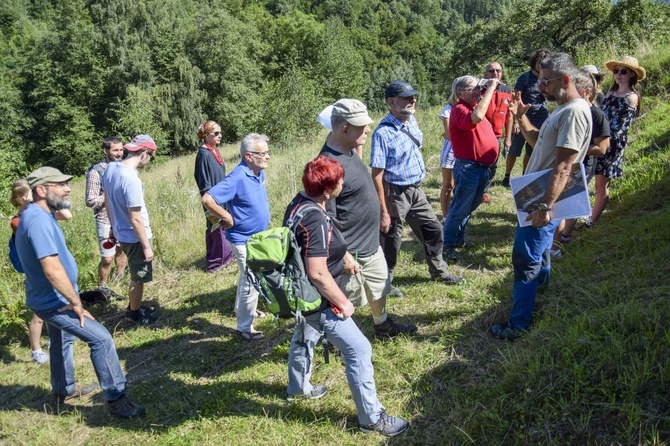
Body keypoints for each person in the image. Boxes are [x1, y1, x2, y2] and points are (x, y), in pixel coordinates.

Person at [284, 156, 409, 437]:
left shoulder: (299, 203)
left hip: (301, 294)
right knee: (359, 350)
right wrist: (342, 301)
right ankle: (372, 419)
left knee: (305, 333)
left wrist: (345, 257)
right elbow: (316, 272)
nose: (343, 182)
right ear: (328, 190)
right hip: (320, 297)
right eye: (339, 180)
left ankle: (298, 388)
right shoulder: (315, 218)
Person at [15, 166, 145, 417]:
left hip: (50, 298)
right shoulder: (37, 221)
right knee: (101, 338)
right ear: (41, 190)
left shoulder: (38, 213)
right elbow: (52, 269)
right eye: (61, 185)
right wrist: (76, 303)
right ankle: (117, 399)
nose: (68, 188)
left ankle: (64, 391)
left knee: (62, 340)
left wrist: (55, 199)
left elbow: (65, 212)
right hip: (56, 301)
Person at [491, 53, 592, 340]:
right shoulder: (562, 109)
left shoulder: (573, 112)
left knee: (525, 259)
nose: (541, 87)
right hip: (539, 195)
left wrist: (545, 206)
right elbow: (540, 145)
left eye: (546, 82)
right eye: (539, 81)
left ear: (567, 79)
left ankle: (518, 325)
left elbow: (563, 166)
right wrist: (520, 120)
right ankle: (541, 295)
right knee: (541, 252)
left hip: (544, 199)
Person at [319, 99, 417, 339]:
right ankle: (340, 341)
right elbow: (324, 217)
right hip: (350, 252)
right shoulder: (328, 166)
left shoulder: (349, 150)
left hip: (370, 246)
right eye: (362, 126)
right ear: (344, 129)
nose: (368, 130)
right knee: (344, 302)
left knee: (379, 286)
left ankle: (382, 325)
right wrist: (343, 255)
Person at [370, 81, 464, 288]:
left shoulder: (411, 121)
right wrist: (383, 210)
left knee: (433, 228)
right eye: (406, 97)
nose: (412, 100)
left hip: (416, 190)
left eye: (413, 96)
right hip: (394, 192)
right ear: (391, 102)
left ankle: (439, 271)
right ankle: (385, 282)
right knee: (391, 239)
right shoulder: (382, 133)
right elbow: (376, 174)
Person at [201, 133, 271, 341]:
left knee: (246, 276)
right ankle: (244, 328)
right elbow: (208, 198)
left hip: (257, 237)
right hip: (242, 238)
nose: (268, 156)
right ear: (249, 156)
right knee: (252, 278)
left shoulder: (258, 173)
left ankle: (243, 311)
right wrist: (226, 216)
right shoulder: (238, 176)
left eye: (268, 152)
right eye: (263, 153)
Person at [10, 179, 72, 364]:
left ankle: (55, 341)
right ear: (20, 198)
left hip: (49, 268)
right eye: (28, 194)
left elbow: (67, 215)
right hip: (37, 272)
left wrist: (52, 201)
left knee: (54, 306)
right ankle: (36, 349)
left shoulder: (42, 213)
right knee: (39, 314)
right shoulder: (19, 220)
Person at [551, 70, 610, 253]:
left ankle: (562, 239)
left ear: (585, 91)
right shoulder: (567, 110)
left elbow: (602, 148)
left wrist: (575, 150)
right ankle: (555, 241)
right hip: (563, 163)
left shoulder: (597, 114)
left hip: (582, 164)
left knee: (569, 204)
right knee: (558, 203)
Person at [442, 75, 500, 261]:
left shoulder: (474, 107)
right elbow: (476, 118)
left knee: (469, 206)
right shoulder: (460, 109)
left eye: (479, 88)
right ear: (459, 92)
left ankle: (458, 239)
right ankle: (448, 245)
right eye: (472, 89)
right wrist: (490, 89)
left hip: (482, 167)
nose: (478, 92)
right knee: (459, 207)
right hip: (469, 168)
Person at [102, 134, 158, 325]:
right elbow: (136, 218)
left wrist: (112, 227)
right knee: (139, 276)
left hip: (120, 232)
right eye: (151, 156)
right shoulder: (132, 180)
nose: (150, 161)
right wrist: (146, 246)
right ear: (144, 153)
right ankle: (133, 314)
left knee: (136, 273)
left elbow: (107, 202)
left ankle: (134, 307)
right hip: (134, 237)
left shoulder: (110, 169)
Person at [587, 56, 645, 228]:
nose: (619, 74)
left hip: (613, 144)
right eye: (616, 71)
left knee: (601, 184)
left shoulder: (632, 97)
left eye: (624, 71)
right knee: (593, 179)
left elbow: (619, 126)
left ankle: (592, 219)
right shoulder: (611, 93)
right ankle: (588, 214)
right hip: (601, 139)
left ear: (632, 75)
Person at [502, 48, 552, 187]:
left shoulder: (546, 79)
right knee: (514, 149)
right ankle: (507, 176)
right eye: (539, 62)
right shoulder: (525, 77)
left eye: (544, 63)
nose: (540, 65)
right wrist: (518, 120)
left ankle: (525, 174)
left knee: (532, 149)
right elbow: (517, 98)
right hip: (523, 116)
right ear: (534, 62)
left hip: (541, 118)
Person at [85, 137, 128, 288]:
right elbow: (90, 200)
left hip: (122, 217)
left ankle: (119, 280)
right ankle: (102, 288)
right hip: (104, 219)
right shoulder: (96, 172)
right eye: (115, 150)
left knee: (122, 251)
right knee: (107, 258)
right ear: (106, 151)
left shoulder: (125, 167)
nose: (119, 153)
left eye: (121, 150)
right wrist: (109, 195)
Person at [194, 121, 234, 272]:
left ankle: (226, 258)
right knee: (216, 227)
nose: (220, 136)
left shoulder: (214, 151)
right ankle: (217, 263)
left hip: (222, 197)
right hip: (212, 200)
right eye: (216, 133)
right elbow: (205, 183)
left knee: (221, 226)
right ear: (206, 135)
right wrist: (212, 204)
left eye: (220, 133)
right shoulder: (203, 155)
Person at [481, 61, 514, 203]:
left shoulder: (507, 90)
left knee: (492, 165)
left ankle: (483, 191)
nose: (495, 73)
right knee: (475, 164)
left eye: (498, 71)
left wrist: (508, 138)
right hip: (479, 134)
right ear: (485, 74)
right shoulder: (479, 88)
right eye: (491, 71)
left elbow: (509, 116)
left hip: (497, 135)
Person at [438, 93, 457, 220]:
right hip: (451, 151)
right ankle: (446, 217)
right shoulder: (448, 110)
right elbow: (451, 135)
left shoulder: (470, 108)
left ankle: (456, 216)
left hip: (465, 151)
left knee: (460, 185)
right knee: (448, 184)